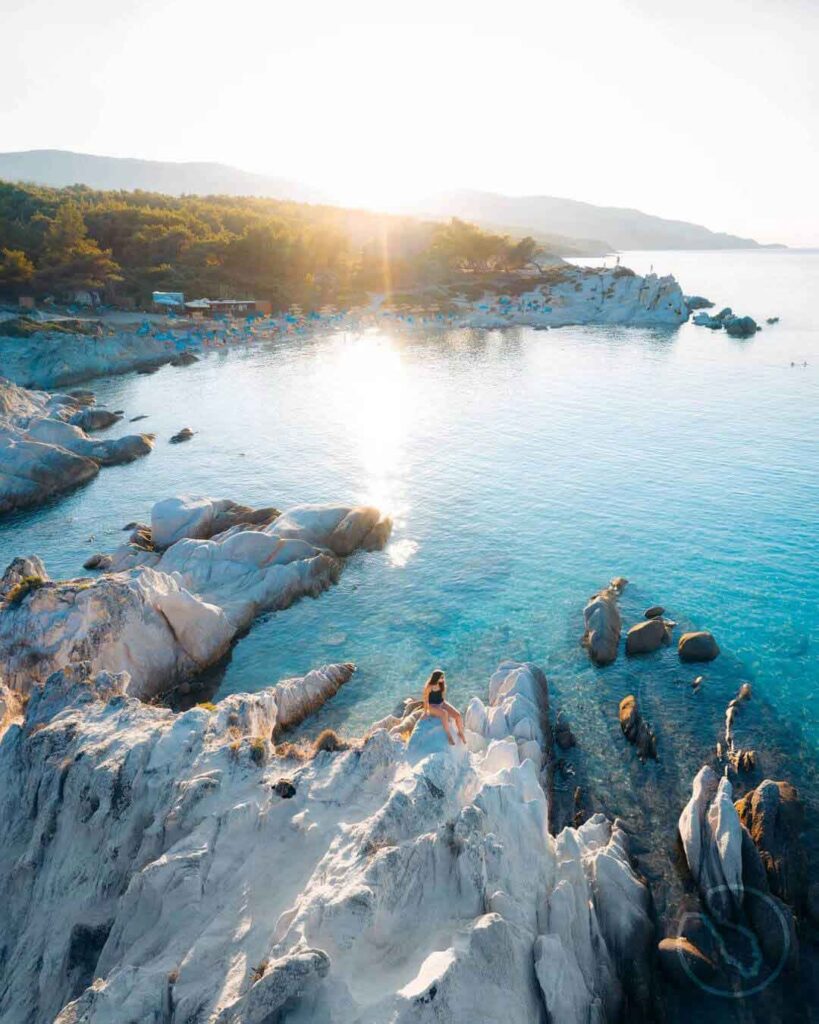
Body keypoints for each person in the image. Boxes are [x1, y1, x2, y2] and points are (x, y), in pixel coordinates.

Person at [422, 669, 466, 745]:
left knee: (458, 715)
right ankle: (449, 736)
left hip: (441, 703)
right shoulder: (429, 686)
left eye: (443, 677)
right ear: (436, 677)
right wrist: (425, 712)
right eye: (441, 677)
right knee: (444, 714)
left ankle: (460, 732)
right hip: (432, 706)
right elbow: (425, 700)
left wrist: (444, 706)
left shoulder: (441, 685)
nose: (443, 679)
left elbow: (442, 698)